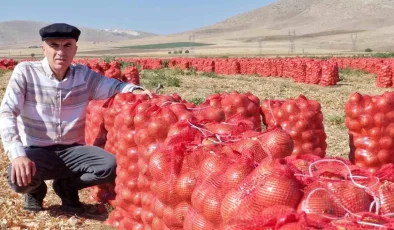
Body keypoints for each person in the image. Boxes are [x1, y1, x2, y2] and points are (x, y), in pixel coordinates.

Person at [0, 23, 151, 213]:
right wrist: (18, 155)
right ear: (43, 48)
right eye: (54, 45)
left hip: (73, 151)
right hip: (37, 150)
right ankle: (36, 190)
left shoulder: (83, 75)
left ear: (75, 49)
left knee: (110, 166)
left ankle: (66, 186)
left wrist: (136, 90)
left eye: (67, 46)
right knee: (17, 178)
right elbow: (7, 112)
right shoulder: (26, 72)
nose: (60, 52)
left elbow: (114, 86)